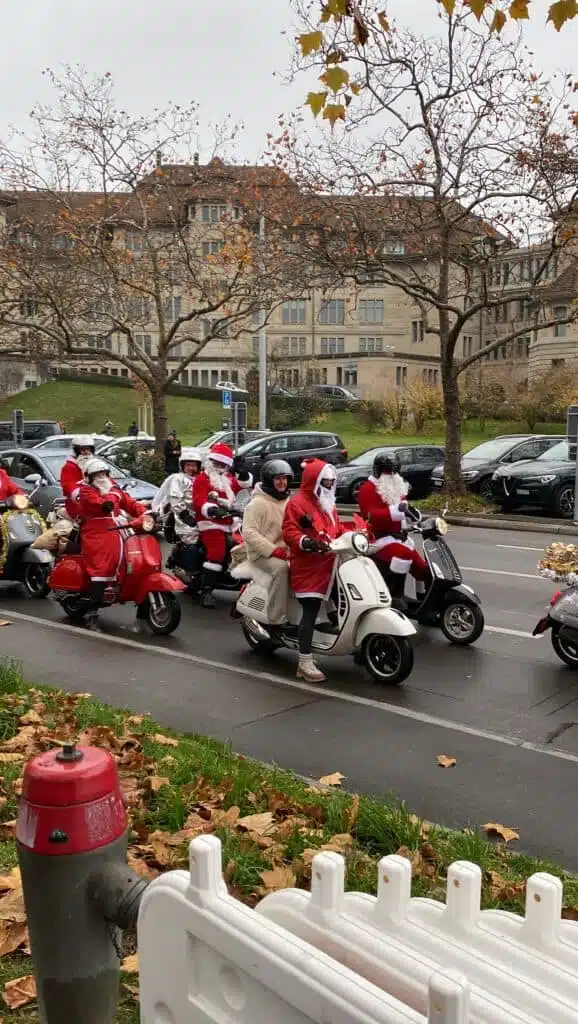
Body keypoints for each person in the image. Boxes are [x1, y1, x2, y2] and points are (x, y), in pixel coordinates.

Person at [282, 459, 345, 683]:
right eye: (325, 482)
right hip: (307, 565)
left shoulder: (328, 504)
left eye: (332, 482)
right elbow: (289, 531)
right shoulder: (297, 503)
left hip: (331, 561)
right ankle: (304, 661)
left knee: (346, 598)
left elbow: (336, 529)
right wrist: (306, 542)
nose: (329, 486)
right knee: (310, 609)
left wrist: (360, 533)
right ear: (314, 481)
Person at [77, 457, 147, 631]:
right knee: (104, 563)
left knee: (136, 558)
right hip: (96, 530)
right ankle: (91, 613)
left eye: (103, 473)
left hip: (116, 527)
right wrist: (113, 496)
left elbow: (130, 503)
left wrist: (147, 513)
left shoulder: (112, 488)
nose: (101, 477)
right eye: (96, 474)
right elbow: (102, 504)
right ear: (89, 477)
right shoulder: (86, 491)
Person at [357, 453, 428, 608]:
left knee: (422, 568)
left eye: (394, 471)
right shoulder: (368, 488)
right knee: (403, 554)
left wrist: (413, 515)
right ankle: (396, 595)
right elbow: (369, 515)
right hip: (379, 538)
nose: (391, 474)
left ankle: (423, 600)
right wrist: (395, 511)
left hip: (400, 537)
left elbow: (404, 509)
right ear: (378, 471)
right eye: (388, 471)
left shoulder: (396, 485)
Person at [192, 442, 253, 608]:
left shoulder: (227, 479)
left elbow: (243, 485)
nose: (220, 466)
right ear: (210, 462)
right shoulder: (202, 479)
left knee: (246, 545)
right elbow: (198, 501)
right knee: (217, 551)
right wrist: (212, 510)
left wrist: (243, 471)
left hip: (230, 521)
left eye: (223, 464)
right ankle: (207, 590)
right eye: (217, 463)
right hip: (209, 523)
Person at [242, 459, 292, 625]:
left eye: (285, 478)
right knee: (281, 569)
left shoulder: (287, 501)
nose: (282, 482)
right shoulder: (257, 503)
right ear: (270, 480)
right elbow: (249, 532)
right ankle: (276, 619)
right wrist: (272, 550)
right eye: (278, 478)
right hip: (262, 555)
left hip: (287, 551)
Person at [152, 447, 203, 571]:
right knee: (192, 541)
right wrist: (185, 516)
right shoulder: (178, 478)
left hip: (202, 516)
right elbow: (175, 498)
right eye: (188, 465)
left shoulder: (200, 479)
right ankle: (192, 573)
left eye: (194, 465)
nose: (191, 468)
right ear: (183, 466)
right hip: (184, 519)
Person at [60, 436, 96, 519]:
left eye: (89, 449)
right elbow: (70, 487)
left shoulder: (95, 465)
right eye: (82, 450)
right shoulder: (69, 467)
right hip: (78, 507)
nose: (86, 452)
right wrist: (89, 496)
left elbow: (105, 479)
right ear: (75, 451)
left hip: (98, 505)